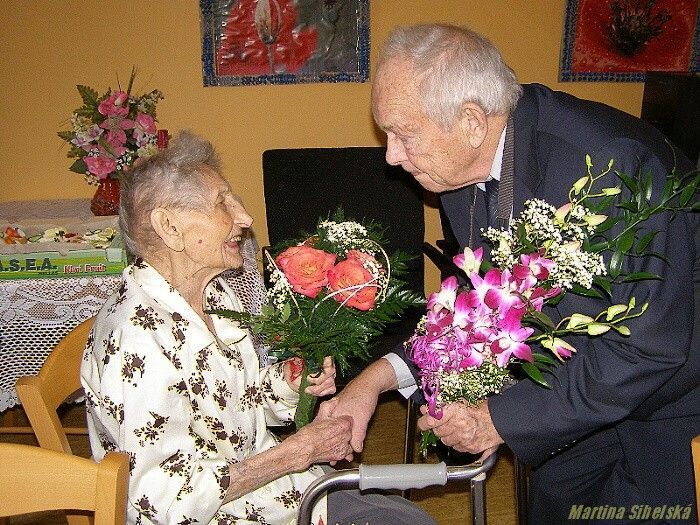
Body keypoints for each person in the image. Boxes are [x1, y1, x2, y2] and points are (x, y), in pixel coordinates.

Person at [319, 23, 700, 524]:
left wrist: (498, 419)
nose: (391, 156)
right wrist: (373, 381)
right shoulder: (459, 173)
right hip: (573, 389)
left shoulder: (615, 167)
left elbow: (652, 347)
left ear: (472, 122)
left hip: (674, 400)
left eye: (404, 135)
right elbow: (477, 307)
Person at [81, 131, 436, 525]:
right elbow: (162, 499)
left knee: (405, 515)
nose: (245, 218)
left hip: (267, 492)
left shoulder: (213, 295)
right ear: (169, 226)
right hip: (224, 514)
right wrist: (296, 453)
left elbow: (240, 401)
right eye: (222, 203)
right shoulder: (138, 341)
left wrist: (289, 380)